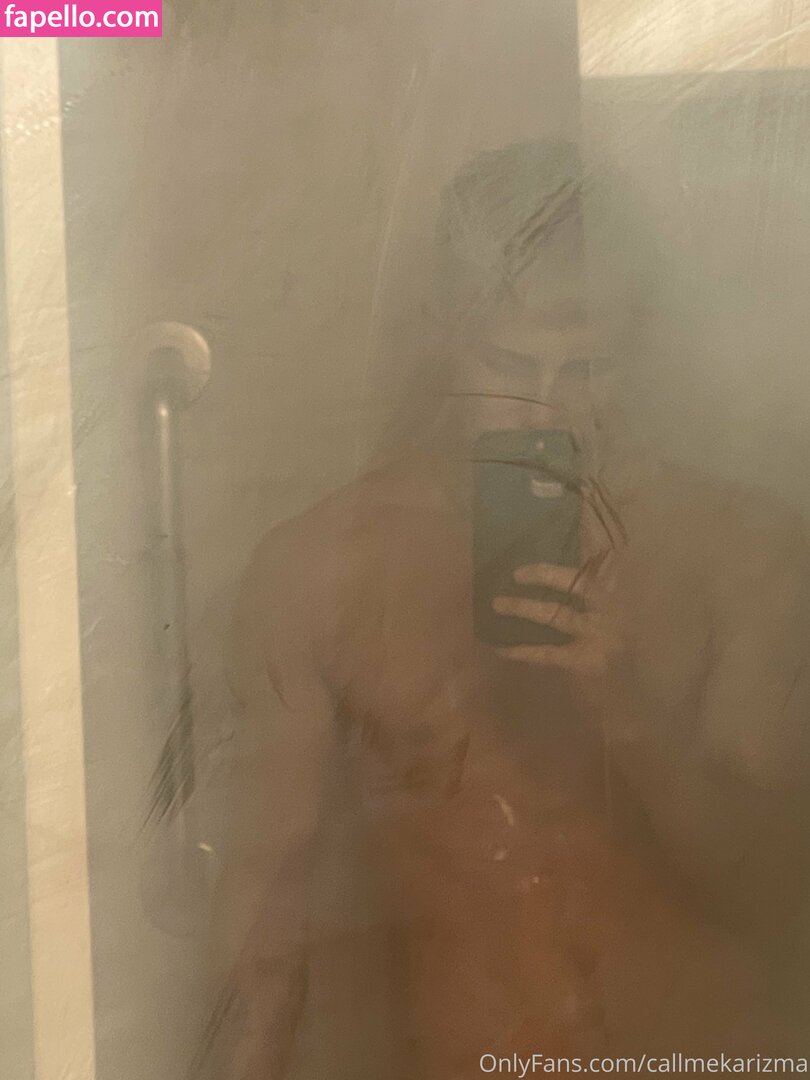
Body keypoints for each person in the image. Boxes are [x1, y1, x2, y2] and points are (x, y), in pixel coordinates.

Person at [210, 140, 810, 1079]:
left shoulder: (745, 553)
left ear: (636, 350)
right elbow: (266, 937)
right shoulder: (322, 570)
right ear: (444, 338)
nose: (545, 408)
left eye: (587, 366)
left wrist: (628, 711)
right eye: (508, 361)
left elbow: (773, 897)